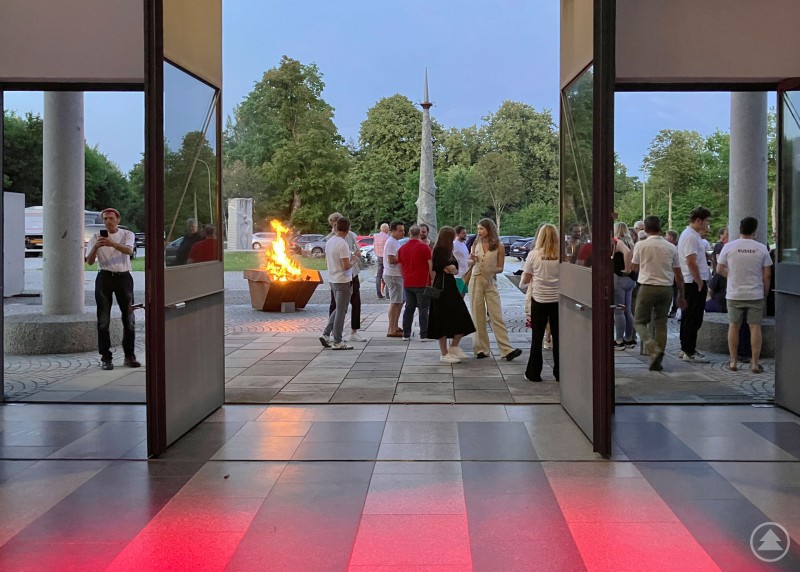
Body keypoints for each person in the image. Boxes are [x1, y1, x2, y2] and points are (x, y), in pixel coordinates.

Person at [85, 207, 140, 371]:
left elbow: (129, 251)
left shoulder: (127, 235)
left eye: (111, 218)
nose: (108, 222)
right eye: (105, 219)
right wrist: (96, 247)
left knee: (129, 318)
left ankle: (129, 356)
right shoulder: (95, 237)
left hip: (123, 277)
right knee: (103, 320)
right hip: (104, 277)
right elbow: (88, 261)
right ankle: (106, 357)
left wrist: (111, 243)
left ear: (118, 220)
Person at [716, 216, 773, 373]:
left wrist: (732, 276)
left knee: (733, 326)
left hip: (734, 293)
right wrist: (765, 292)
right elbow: (767, 275)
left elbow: (719, 269)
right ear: (755, 230)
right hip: (755, 293)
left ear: (739, 228)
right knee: (755, 327)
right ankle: (754, 363)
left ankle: (733, 362)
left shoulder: (729, 247)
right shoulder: (761, 248)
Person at [631, 215, 686, 371]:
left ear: (645, 229)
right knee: (661, 322)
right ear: (660, 227)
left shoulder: (641, 245)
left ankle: (651, 347)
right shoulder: (671, 247)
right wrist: (681, 295)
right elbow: (678, 274)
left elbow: (634, 267)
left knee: (639, 321)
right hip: (666, 288)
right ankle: (659, 356)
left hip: (647, 286)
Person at [467, 218, 522, 361]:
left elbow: (501, 267)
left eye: (481, 229)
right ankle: (481, 349)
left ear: (489, 229)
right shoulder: (476, 243)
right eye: (478, 229)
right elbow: (470, 261)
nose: (478, 231)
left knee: (496, 315)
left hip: (490, 282)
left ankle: (506, 350)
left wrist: (492, 270)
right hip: (476, 280)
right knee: (477, 315)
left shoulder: (499, 245)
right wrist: (472, 260)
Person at [426, 227, 476, 362]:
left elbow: (454, 269)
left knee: (461, 316)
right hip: (442, 289)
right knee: (441, 319)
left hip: (449, 287)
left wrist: (451, 268)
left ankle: (454, 346)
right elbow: (448, 268)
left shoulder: (447, 251)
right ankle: (444, 353)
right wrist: (450, 268)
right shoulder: (440, 250)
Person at [521, 223, 560, 381]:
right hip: (557, 300)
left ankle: (534, 372)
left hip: (539, 299)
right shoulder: (561, 254)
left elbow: (526, 278)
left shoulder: (534, 254)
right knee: (558, 338)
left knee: (537, 338)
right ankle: (560, 373)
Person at [677, 206, 712, 363]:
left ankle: (685, 347)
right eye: (706, 221)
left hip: (691, 281)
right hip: (692, 282)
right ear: (698, 221)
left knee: (688, 316)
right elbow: (691, 261)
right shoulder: (691, 237)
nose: (707, 225)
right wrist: (699, 281)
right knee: (693, 316)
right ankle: (689, 350)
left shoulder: (691, 235)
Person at [319, 217, 359, 350]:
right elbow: (346, 266)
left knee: (338, 309)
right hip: (343, 280)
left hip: (333, 279)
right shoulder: (342, 244)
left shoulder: (330, 241)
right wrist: (355, 257)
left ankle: (326, 334)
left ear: (336, 227)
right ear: (348, 229)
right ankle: (337, 340)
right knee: (341, 311)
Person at [325, 212, 365, 342]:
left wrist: (354, 255)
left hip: (351, 274)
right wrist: (354, 258)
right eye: (334, 222)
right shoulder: (331, 239)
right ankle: (335, 337)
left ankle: (353, 331)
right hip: (341, 276)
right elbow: (345, 264)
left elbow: (357, 250)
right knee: (338, 306)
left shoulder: (350, 236)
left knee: (354, 302)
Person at [397, 225, 433, 340]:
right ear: (419, 234)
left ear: (409, 233)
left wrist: (404, 276)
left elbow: (400, 265)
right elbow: (430, 266)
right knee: (423, 309)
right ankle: (424, 334)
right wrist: (432, 280)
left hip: (408, 282)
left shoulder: (402, 248)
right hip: (422, 282)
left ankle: (406, 334)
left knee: (409, 308)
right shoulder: (425, 248)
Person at [612, 222, 636, 350]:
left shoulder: (617, 241)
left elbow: (626, 253)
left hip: (620, 278)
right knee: (628, 310)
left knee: (619, 310)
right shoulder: (630, 241)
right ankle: (629, 339)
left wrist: (626, 269)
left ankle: (619, 340)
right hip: (630, 280)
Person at [383, 221, 405, 337]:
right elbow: (391, 259)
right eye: (400, 230)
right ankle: (391, 328)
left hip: (397, 274)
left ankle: (395, 326)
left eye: (403, 230)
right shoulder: (391, 242)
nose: (403, 233)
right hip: (393, 274)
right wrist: (404, 257)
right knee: (395, 302)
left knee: (399, 302)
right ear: (393, 231)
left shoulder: (395, 242)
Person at [373, 223, 390, 299]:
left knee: (378, 275)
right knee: (387, 274)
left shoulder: (376, 236)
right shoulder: (387, 237)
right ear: (386, 229)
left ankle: (378, 294)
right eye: (388, 228)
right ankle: (387, 294)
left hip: (378, 257)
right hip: (385, 257)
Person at [665, 230, 680, 317]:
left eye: (667, 236)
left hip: (674, 273)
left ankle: (673, 310)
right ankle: (672, 310)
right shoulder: (674, 246)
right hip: (672, 273)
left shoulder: (674, 247)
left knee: (675, 292)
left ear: (671, 237)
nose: (665, 238)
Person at [452, 225, 470, 297]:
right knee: (457, 297)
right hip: (457, 276)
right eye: (463, 233)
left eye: (465, 233)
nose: (465, 235)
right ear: (457, 234)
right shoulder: (454, 244)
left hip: (465, 275)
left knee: (462, 295)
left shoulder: (463, 244)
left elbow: (465, 258)